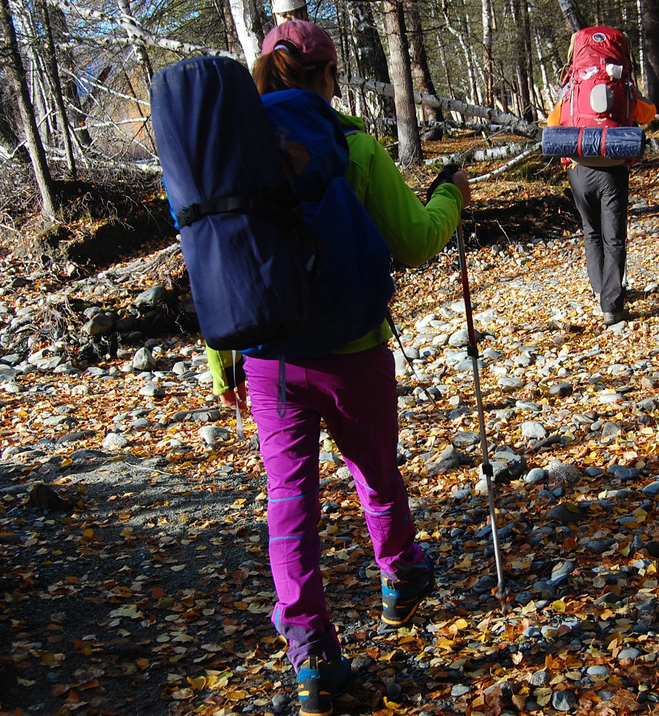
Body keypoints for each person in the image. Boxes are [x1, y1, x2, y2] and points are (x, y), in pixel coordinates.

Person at [205, 19, 470, 716]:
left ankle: (313, 658)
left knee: (290, 506)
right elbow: (414, 242)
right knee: (375, 470)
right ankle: (401, 578)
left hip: (268, 359)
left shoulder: (229, 149)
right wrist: (451, 196)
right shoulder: (354, 144)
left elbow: (215, 257)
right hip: (353, 349)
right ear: (331, 76)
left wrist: (221, 363)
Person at [546, 31, 655, 327]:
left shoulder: (574, 85)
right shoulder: (620, 84)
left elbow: (553, 123)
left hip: (579, 169)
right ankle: (612, 305)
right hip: (614, 167)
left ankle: (599, 289)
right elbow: (648, 114)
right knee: (614, 237)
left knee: (591, 232)